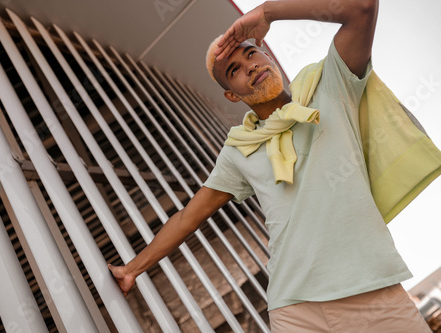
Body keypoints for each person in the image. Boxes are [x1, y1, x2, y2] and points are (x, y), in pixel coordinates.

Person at [109, 1, 433, 331]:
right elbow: (186, 218)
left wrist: (267, 13)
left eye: (250, 53)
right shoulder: (239, 150)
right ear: (232, 96)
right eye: (234, 70)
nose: (248, 66)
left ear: (269, 57)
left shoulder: (330, 86)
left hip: (374, 294)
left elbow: (361, 8)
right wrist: (132, 269)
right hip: (296, 311)